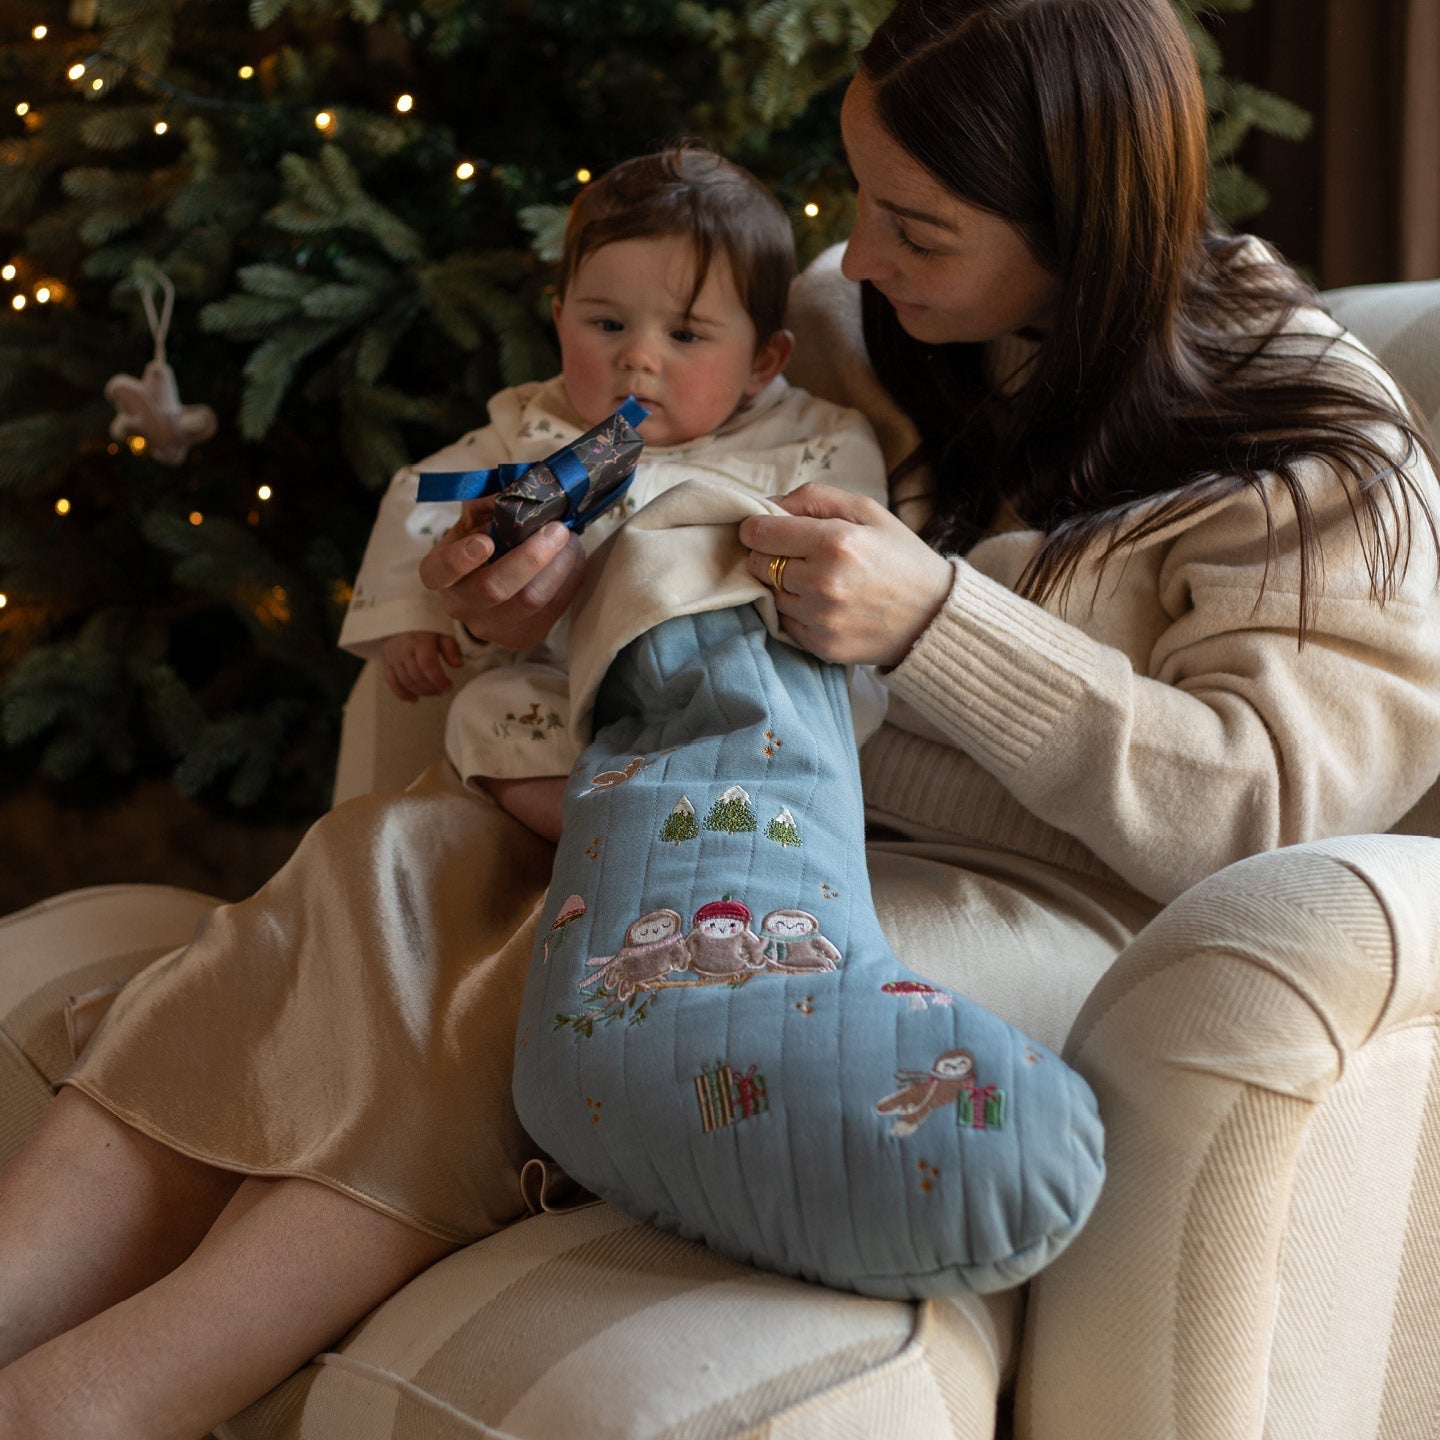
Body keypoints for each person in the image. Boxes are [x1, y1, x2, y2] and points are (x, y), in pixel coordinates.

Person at [2, 0, 1439, 1435]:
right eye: (860, 200)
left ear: (1089, 226)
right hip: (701, 805)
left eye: (916, 229)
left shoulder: (1318, 458)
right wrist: (533, 604)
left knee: (536, 971)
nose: (856, 259)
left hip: (1013, 914)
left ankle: (98, 1399)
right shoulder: (857, 327)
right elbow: (668, 530)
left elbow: (1273, 813)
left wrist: (943, 624)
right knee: (379, 868)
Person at [337, 144, 888, 841]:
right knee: (485, 712)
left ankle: (714, 828)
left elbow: (858, 544)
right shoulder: (533, 427)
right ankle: (602, 834)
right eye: (607, 325)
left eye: (685, 333)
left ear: (762, 362)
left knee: (811, 715)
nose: (639, 357)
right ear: (561, 317)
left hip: (737, 698)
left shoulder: (814, 440)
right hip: (577, 702)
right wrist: (415, 613)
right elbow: (429, 495)